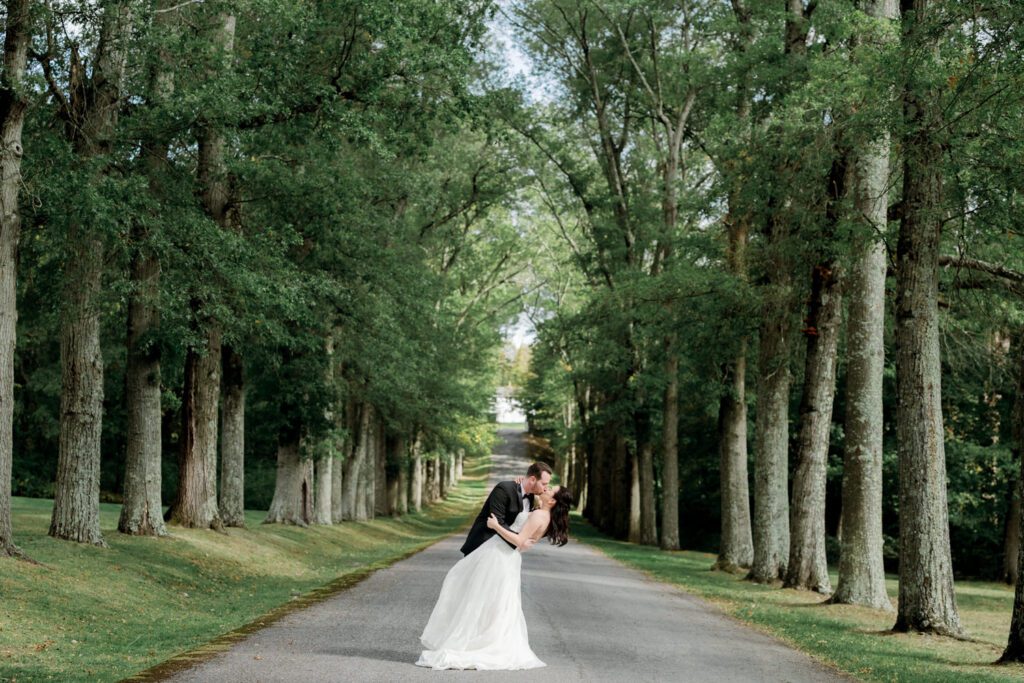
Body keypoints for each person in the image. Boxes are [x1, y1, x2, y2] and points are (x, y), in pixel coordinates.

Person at [416, 483, 575, 670]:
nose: (545, 490)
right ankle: (479, 639)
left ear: (553, 500)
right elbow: (525, 541)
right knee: (492, 601)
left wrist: (496, 525)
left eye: (549, 490)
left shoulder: (540, 515)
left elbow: (518, 540)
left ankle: (472, 643)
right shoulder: (543, 514)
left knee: (475, 594)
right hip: (505, 557)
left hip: (500, 556)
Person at [460, 461, 551, 556]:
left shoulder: (533, 498)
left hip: (506, 553)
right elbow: (497, 521)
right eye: (544, 484)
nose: (545, 488)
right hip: (483, 546)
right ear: (532, 479)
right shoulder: (504, 489)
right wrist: (518, 541)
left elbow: (532, 525)